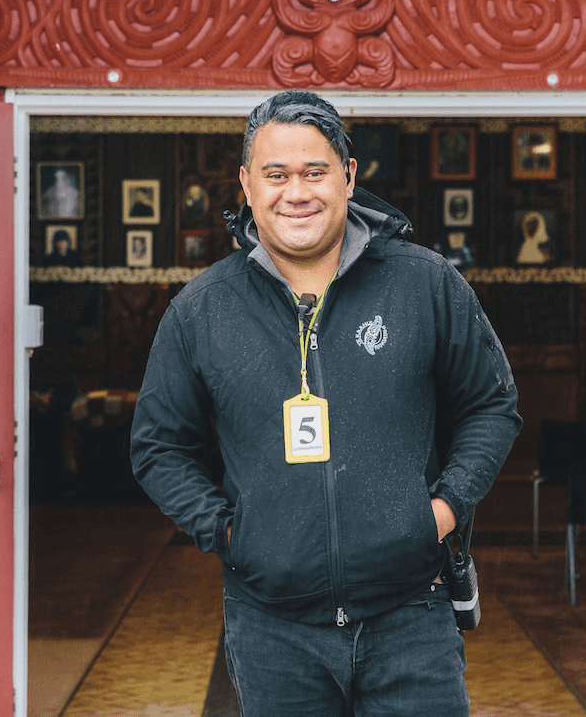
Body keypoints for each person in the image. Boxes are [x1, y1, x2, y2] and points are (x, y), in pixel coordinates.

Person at [129, 90, 521, 716]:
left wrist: (441, 512)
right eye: (276, 175)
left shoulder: (424, 283)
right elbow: (158, 447)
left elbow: (492, 405)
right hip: (272, 628)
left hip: (410, 615)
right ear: (246, 184)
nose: (297, 192)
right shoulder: (201, 310)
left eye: (315, 172)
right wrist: (230, 535)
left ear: (348, 176)